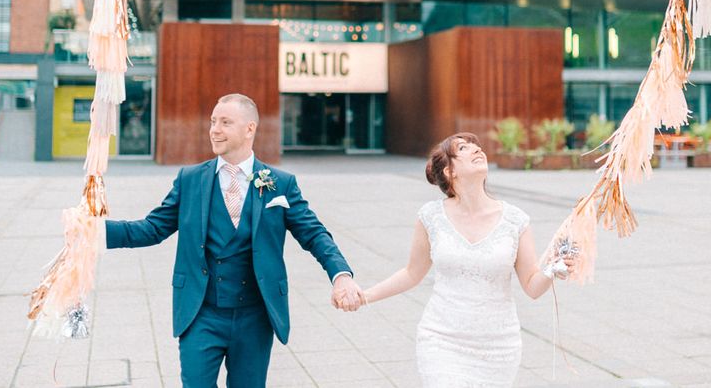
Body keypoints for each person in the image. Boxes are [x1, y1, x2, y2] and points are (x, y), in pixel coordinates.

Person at [104, 93, 363, 388]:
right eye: (213, 121)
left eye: (225, 122)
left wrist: (341, 275)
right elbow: (151, 228)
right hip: (200, 314)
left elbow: (314, 234)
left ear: (249, 129)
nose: (214, 129)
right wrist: (93, 232)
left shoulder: (280, 183)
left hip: (255, 317)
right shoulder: (190, 179)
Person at [362, 132, 575, 388]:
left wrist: (553, 269)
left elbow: (532, 285)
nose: (476, 149)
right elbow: (411, 273)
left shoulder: (515, 220)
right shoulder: (431, 216)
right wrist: (365, 296)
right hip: (441, 341)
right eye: (463, 147)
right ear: (450, 172)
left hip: (498, 348)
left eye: (477, 145)